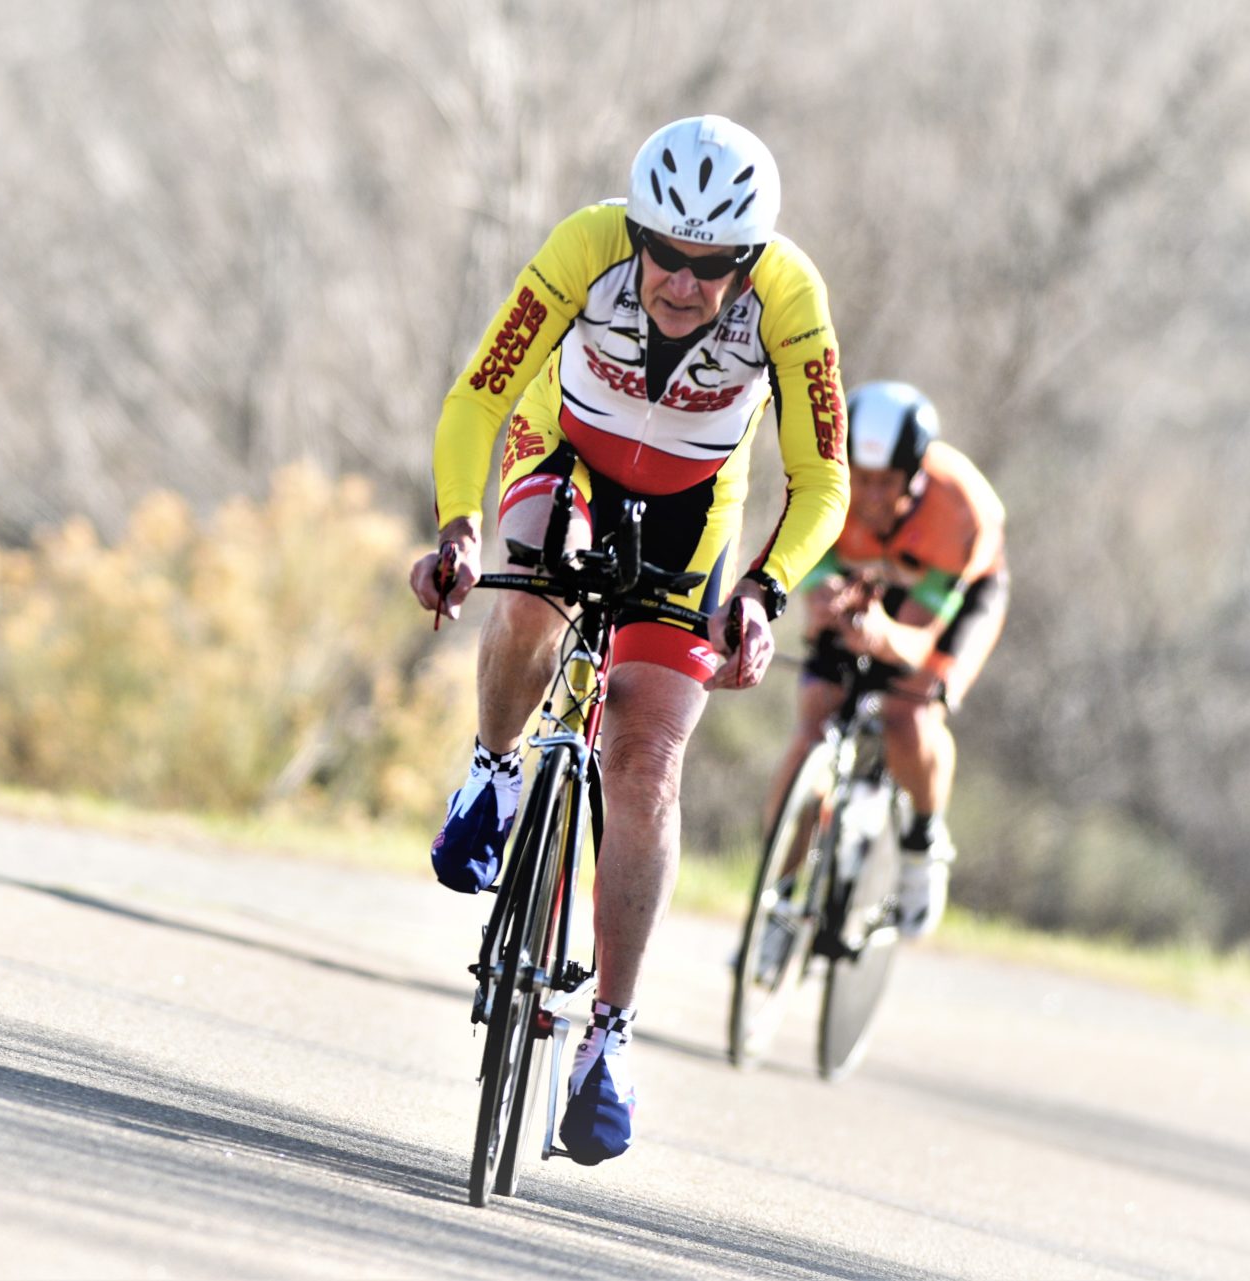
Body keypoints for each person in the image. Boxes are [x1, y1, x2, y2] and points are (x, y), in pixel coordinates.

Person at [408, 115, 849, 1166]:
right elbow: (482, 390)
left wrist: (767, 590)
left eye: (711, 268)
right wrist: (458, 525)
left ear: (748, 262)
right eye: (666, 254)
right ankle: (493, 772)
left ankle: (607, 1034)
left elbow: (822, 477)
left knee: (649, 761)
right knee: (527, 599)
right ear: (637, 232)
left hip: (695, 510)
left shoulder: (789, 298)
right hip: (565, 461)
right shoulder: (585, 246)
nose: (682, 283)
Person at [768, 380, 1008, 940]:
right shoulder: (826, 480)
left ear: (916, 476)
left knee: (911, 712)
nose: (870, 497)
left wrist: (879, 637)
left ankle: (923, 841)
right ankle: (777, 896)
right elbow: (808, 557)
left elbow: (920, 641)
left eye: (887, 484)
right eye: (862, 479)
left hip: (954, 594)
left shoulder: (959, 513)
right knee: (813, 719)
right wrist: (825, 596)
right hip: (870, 578)